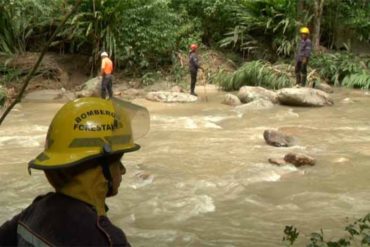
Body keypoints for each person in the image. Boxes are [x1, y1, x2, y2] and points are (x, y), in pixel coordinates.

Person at [0, 97, 149, 246]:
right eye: (118, 162)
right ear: (97, 170)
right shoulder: (107, 239)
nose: (123, 171)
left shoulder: (35, 211)